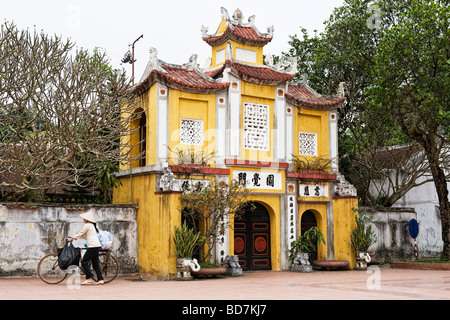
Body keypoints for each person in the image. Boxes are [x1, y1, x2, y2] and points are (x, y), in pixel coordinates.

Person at [68, 210, 104, 285]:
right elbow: (84, 236)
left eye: (84, 218)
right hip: (97, 246)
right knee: (96, 264)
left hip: (92, 246)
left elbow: (81, 233)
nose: (83, 220)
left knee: (84, 262)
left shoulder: (87, 225)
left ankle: (88, 278)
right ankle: (100, 280)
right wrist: (75, 237)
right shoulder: (92, 226)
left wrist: (72, 238)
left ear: (87, 219)